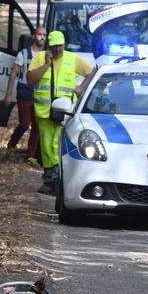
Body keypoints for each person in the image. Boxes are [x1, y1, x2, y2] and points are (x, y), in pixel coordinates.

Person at [27, 30, 96, 195]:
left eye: (60, 46)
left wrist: (80, 88)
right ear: (49, 47)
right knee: (46, 146)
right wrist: (45, 64)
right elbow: (30, 80)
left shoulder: (72, 58)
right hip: (44, 111)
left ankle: (59, 179)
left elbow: (91, 71)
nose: (58, 50)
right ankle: (50, 178)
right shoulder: (39, 57)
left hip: (64, 112)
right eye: (54, 46)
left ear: (64, 45)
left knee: (58, 144)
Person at [4, 27, 46, 164]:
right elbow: (13, 74)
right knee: (24, 124)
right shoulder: (24, 53)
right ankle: (11, 145)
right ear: (34, 36)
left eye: (44, 35)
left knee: (37, 126)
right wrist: (8, 94)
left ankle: (30, 155)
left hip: (40, 96)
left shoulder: (46, 55)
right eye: (39, 34)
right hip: (25, 94)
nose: (42, 37)